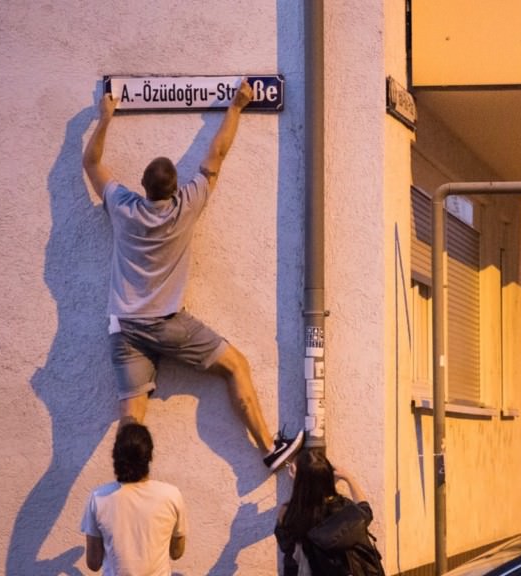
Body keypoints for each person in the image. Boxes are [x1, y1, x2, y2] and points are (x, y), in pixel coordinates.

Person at [82, 78, 302, 471]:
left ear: (143, 187)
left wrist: (105, 118)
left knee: (132, 421)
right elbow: (216, 154)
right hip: (169, 325)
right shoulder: (187, 205)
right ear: (174, 187)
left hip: (126, 328)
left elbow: (92, 164)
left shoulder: (122, 206)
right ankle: (269, 447)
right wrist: (235, 106)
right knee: (236, 365)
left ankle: (126, 489)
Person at [81, 423, 186, 575]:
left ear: (115, 456)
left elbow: (93, 563)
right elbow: (176, 553)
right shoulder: (171, 495)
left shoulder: (98, 498)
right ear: (149, 456)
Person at [275, 450, 380, 576]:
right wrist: (348, 477)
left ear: (299, 480)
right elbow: (365, 510)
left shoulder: (288, 512)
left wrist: (300, 483)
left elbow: (285, 545)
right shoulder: (344, 508)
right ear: (328, 476)